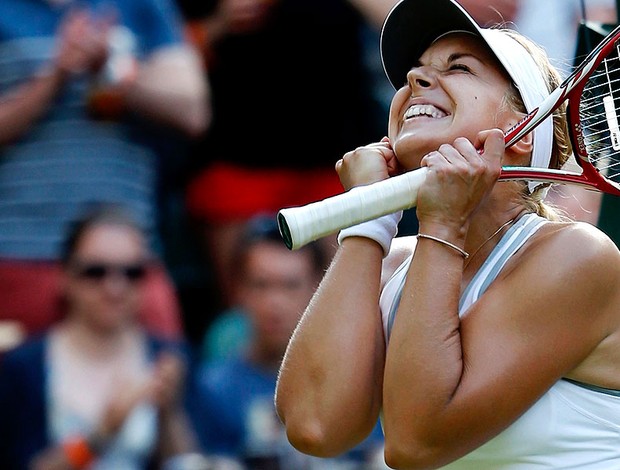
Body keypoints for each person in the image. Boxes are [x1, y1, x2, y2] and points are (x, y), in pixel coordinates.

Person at [274, 0, 620, 468]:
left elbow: (417, 444)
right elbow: (315, 426)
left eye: (459, 68)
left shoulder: (578, 256)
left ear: (519, 134)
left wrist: (443, 224)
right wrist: (366, 223)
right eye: (414, 73)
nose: (414, 81)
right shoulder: (392, 261)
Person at [0, 0, 209, 340]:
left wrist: (113, 75)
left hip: (127, 259)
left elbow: (193, 109)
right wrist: (57, 75)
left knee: (161, 379)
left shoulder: (145, 6)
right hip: (18, 255)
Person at [179, 0, 402, 308]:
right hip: (236, 154)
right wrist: (221, 22)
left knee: (343, 298)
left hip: (333, 158)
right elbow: (162, 50)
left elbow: (401, 22)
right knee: (245, 308)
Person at [0, 204, 208, 470]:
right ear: (64, 276)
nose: (114, 288)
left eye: (132, 272)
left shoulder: (169, 357)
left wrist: (169, 412)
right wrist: (101, 434)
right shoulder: (26, 366)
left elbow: (191, 463)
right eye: (96, 272)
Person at [188, 215, 386, 468]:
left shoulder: (355, 381)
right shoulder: (212, 387)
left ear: (320, 287)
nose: (275, 303)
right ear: (238, 290)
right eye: (262, 285)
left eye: (289, 285)